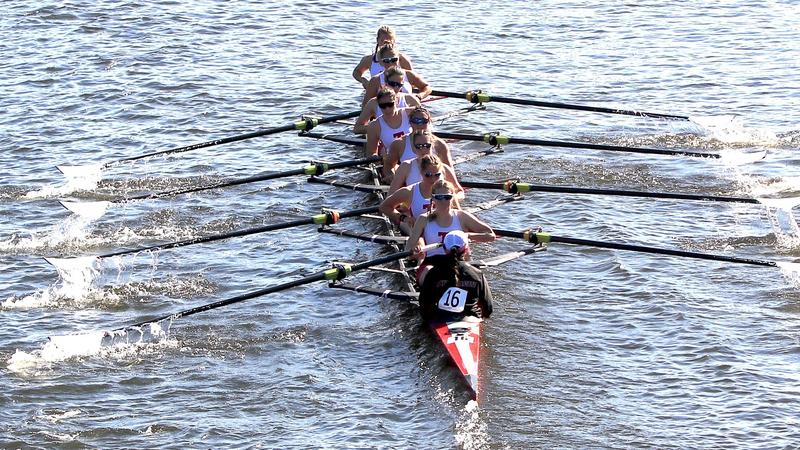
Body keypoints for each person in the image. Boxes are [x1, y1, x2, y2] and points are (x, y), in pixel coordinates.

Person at [405, 179, 495, 259]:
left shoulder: (462, 216)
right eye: (439, 197)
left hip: (458, 261)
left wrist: (467, 236)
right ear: (433, 198)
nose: (443, 201)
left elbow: (491, 235)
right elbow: (408, 249)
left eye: (447, 197)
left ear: (452, 198)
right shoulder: (423, 219)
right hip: (433, 263)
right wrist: (416, 250)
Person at [418, 230, 493, 321]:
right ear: (466, 249)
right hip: (470, 319)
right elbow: (488, 308)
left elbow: (423, 304)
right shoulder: (477, 274)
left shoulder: (433, 272)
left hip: (440, 319)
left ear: (445, 249)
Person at [379, 154, 460, 234]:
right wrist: (404, 218)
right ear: (421, 172)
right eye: (428, 175)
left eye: (437, 175)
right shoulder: (409, 192)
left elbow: (458, 214)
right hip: (419, 234)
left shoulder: (447, 192)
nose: (433, 179)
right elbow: (384, 207)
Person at [383, 106, 453, 178]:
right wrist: (390, 175)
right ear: (410, 122)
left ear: (429, 122)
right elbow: (388, 165)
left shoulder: (440, 144)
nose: (420, 124)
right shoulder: (399, 143)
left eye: (424, 121)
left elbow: (449, 172)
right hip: (410, 184)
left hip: (434, 183)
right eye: (416, 120)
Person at [387, 130, 461, 194]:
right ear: (414, 147)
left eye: (427, 145)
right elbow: (391, 194)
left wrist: (451, 198)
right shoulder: (406, 166)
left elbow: (459, 191)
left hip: (440, 203)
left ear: (432, 146)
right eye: (419, 146)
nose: (423, 149)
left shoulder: (443, 167)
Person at [353, 67, 421, 135]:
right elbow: (357, 128)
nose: (396, 87)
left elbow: (423, 123)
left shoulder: (411, 100)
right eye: (393, 84)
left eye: (399, 85)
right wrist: (379, 128)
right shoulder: (373, 103)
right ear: (385, 83)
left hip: (406, 138)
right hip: (384, 139)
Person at [363, 43, 431, 106]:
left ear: (399, 59)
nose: (390, 63)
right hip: (385, 112)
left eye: (394, 60)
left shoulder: (409, 75)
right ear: (381, 62)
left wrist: (419, 96)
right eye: (386, 60)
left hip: (407, 112)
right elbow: (365, 105)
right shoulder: (375, 80)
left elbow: (427, 87)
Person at [364, 87, 411, 158]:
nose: (387, 109)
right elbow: (371, 153)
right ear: (378, 105)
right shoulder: (374, 126)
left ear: (396, 101)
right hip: (392, 160)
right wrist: (376, 157)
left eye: (390, 104)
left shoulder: (410, 113)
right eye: (383, 106)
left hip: (414, 158)